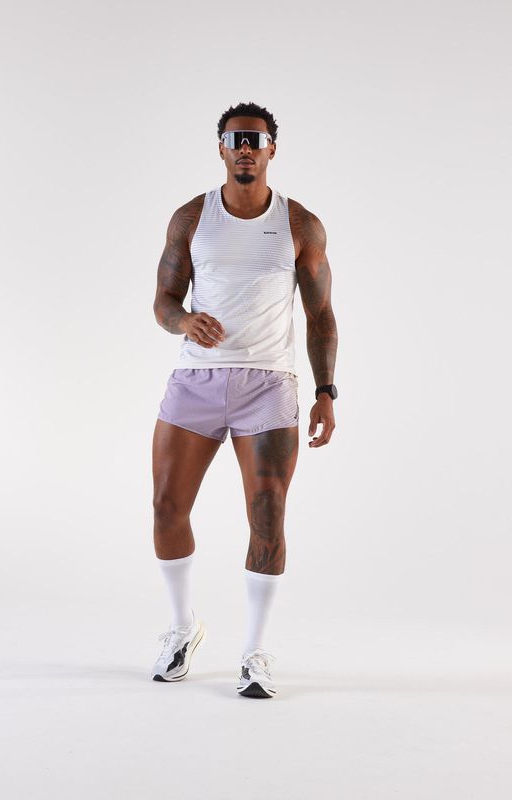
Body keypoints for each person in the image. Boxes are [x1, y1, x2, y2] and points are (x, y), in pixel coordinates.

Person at [150, 101, 338, 698]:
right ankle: (183, 627)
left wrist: (326, 391)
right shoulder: (191, 217)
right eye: (236, 140)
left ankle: (255, 652)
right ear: (222, 149)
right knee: (166, 508)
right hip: (197, 381)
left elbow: (321, 315)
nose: (246, 149)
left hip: (268, 384)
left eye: (256, 140)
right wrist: (184, 321)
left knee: (267, 514)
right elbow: (163, 301)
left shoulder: (300, 224)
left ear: (272, 149)